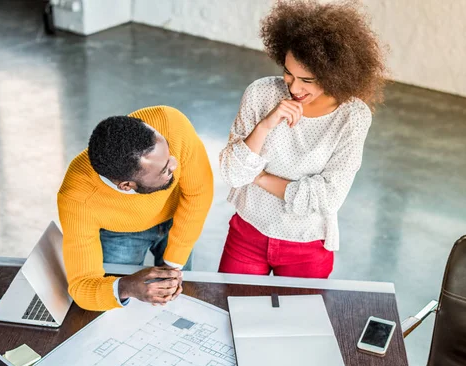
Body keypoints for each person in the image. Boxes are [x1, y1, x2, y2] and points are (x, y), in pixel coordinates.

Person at [219, 0, 387, 278]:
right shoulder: (261, 93)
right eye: (288, 72)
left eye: (307, 80)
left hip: (306, 247)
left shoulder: (353, 117)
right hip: (247, 233)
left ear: (335, 75)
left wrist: (259, 178)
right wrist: (265, 125)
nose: (294, 87)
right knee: (230, 312)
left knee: (298, 322)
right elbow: (233, 174)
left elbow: (328, 198)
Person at [58, 106, 213, 311]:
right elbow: (82, 286)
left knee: (177, 301)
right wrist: (126, 286)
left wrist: (173, 265)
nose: (175, 164)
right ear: (126, 185)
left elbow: (198, 192)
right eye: (165, 170)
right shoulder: (78, 198)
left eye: (168, 153)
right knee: (121, 308)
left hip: (180, 215)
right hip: (120, 233)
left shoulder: (171, 124)